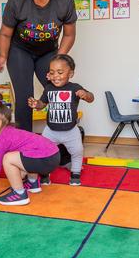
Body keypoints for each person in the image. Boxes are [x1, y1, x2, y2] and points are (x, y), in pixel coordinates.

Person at [0, 0, 77, 131]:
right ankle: (25, 144)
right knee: (24, 96)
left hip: (48, 52)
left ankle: (63, 137)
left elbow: (69, 35)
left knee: (58, 90)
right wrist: (2, 56)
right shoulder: (17, 1)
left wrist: (59, 59)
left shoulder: (64, 2)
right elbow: (5, 34)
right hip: (19, 51)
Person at [27, 54, 93, 186]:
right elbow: (42, 104)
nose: (55, 76)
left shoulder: (75, 87)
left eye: (60, 72)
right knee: (42, 150)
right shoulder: (49, 88)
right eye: (52, 73)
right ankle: (45, 174)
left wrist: (85, 95)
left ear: (71, 73)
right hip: (51, 130)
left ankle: (75, 174)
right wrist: (36, 104)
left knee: (77, 151)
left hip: (71, 130)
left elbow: (91, 98)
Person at [0, 103, 60, 206]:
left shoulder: (1, 139)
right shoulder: (12, 132)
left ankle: (19, 194)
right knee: (27, 153)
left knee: (7, 159)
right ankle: (33, 183)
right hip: (54, 154)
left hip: (45, 158)